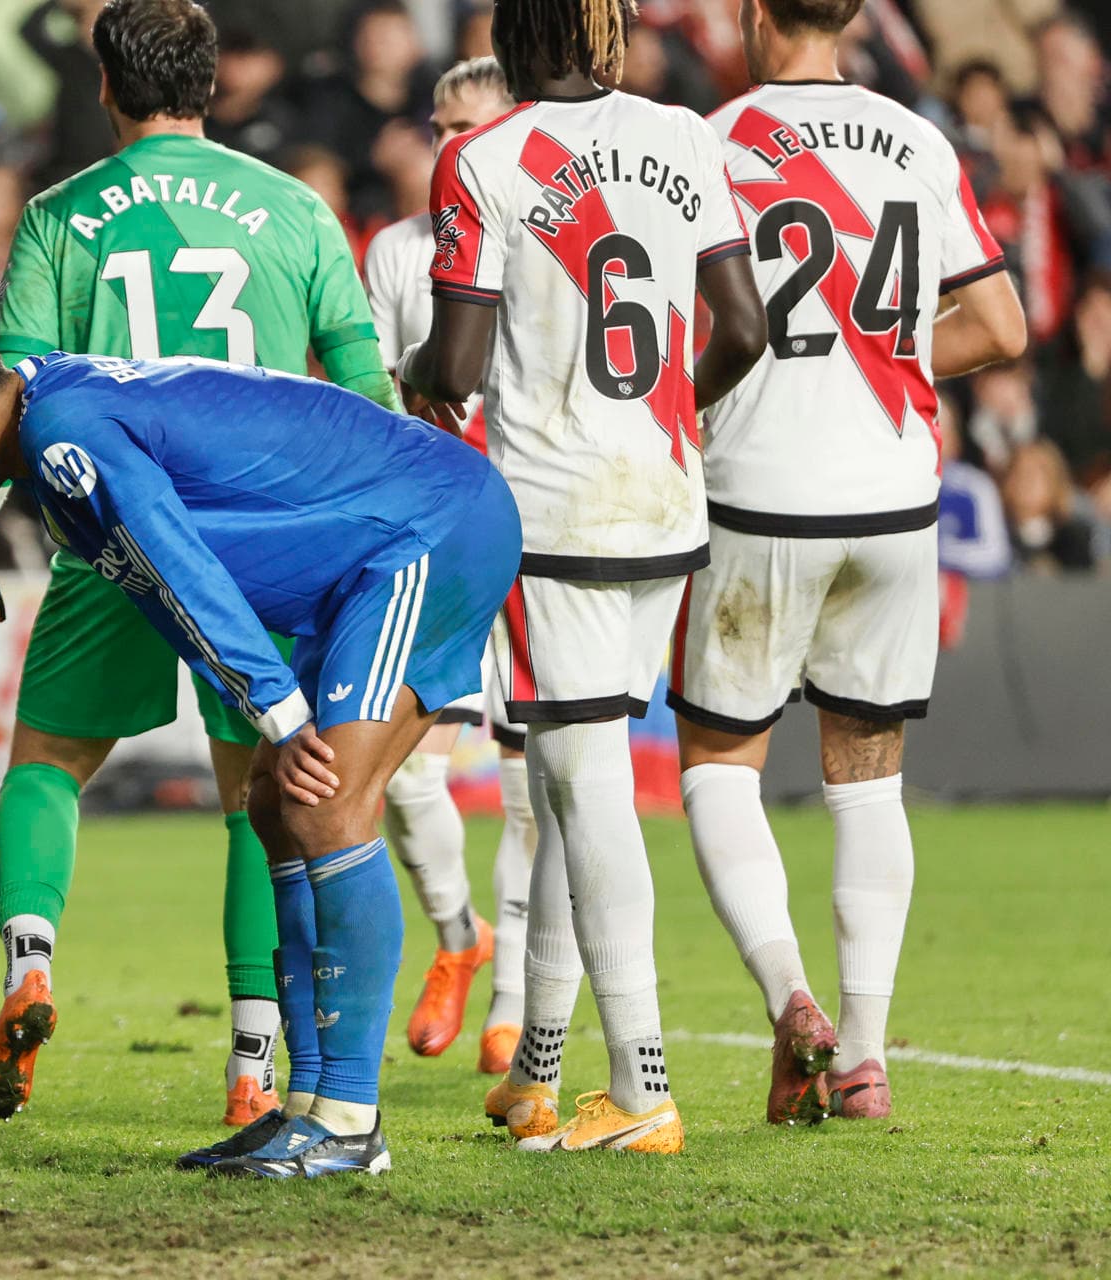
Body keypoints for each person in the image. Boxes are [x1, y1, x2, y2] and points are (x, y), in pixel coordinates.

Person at [0, 0, 404, 1131]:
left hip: (110, 531)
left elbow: (8, 410)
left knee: (44, 763)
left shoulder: (57, 217)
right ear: (214, 82)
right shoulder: (295, 207)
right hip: (258, 545)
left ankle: (29, 963)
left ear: (105, 86)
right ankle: (250, 1062)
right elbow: (365, 393)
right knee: (257, 802)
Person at [0, 313, 521, 1178]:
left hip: (423, 530)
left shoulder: (66, 439)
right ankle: (307, 1107)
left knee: (323, 803)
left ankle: (353, 1123)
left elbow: (179, 566)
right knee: (271, 806)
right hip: (367, 551)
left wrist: (280, 718)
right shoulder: (33, 404)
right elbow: (166, 590)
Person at [397, 0, 767, 1154]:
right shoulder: (685, 135)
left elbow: (455, 361)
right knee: (571, 777)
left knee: (588, 783)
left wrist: (416, 373)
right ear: (605, 36)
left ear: (510, 46)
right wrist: (666, 415)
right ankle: (540, 1072)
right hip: (662, 492)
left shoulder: (481, 159)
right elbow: (746, 330)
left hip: (554, 511)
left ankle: (644, 1079)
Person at [672, 0, 1028, 1125]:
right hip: (893, 494)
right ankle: (868, 1053)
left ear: (751, 14)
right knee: (868, 772)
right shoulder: (918, 137)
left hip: (762, 490)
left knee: (718, 763)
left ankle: (793, 1000)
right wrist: (893, 364)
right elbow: (1005, 325)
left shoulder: (711, 141)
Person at [364, 55, 528, 1074]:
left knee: (530, 772)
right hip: (435, 530)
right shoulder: (396, 252)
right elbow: (376, 393)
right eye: (438, 128)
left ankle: (512, 998)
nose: (448, 148)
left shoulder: (551, 237)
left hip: (545, 526)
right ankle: (459, 932)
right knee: (401, 766)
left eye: (467, 128)